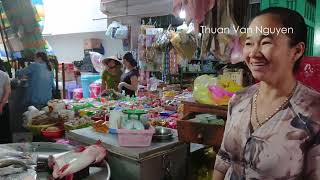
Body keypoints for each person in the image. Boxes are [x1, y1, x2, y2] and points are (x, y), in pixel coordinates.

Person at [212, 7, 320, 180]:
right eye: (249, 43)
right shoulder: (238, 100)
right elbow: (224, 158)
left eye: (266, 42)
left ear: (297, 51)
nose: (253, 53)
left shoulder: (314, 112)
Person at [0, 70, 11, 143]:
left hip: (3, 105)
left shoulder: (3, 75)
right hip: (2, 105)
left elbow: (7, 92)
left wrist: (1, 105)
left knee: (3, 132)